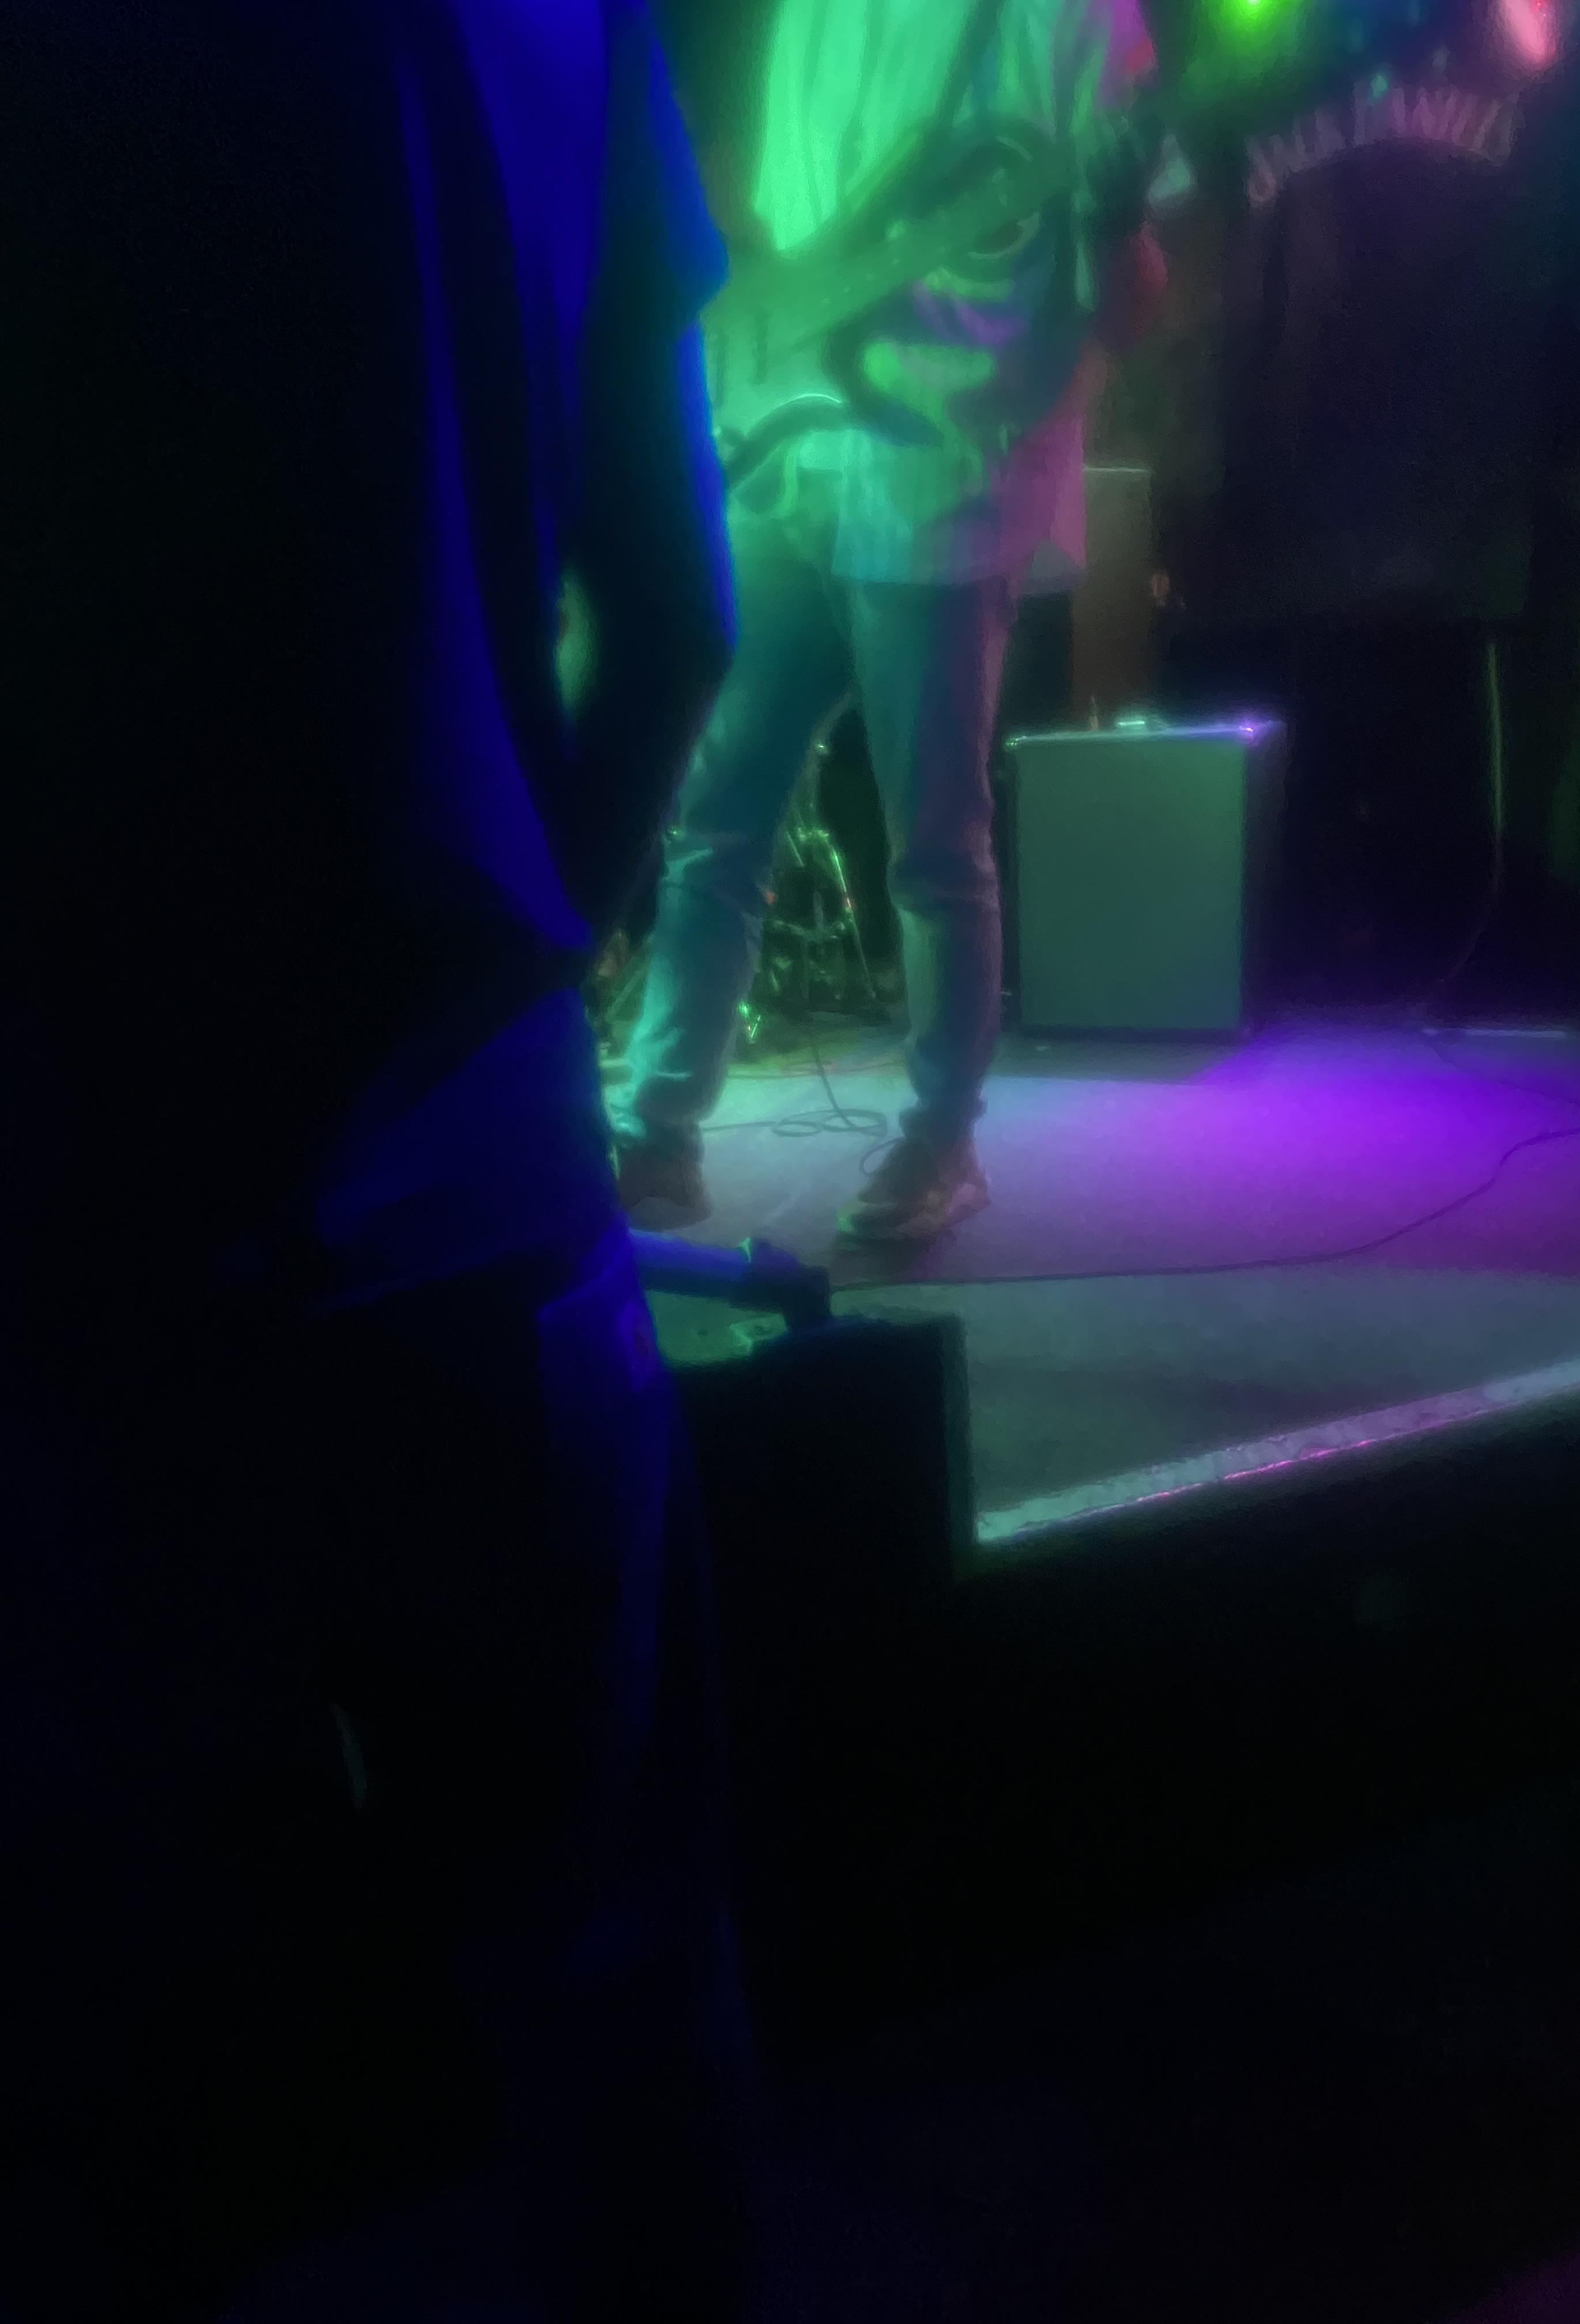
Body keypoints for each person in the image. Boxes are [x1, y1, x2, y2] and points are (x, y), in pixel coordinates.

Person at [0, 1, 752, 2318]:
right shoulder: (565, 22)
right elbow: (681, 615)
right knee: (615, 2009)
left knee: (84, 2083)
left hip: (88, 1213)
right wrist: (516, 967)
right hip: (486, 1184)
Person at [614, 0, 1173, 1242]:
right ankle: (656, 1133)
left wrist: (1114, 212)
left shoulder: (1076, 24)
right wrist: (754, 305)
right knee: (715, 821)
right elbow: (783, 220)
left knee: (933, 847)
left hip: (940, 477)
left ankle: (943, 1139)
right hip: (791, 457)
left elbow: (1133, 305)